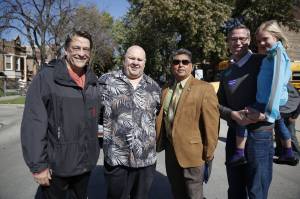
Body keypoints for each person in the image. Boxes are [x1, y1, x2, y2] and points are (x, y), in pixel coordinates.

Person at [21, 30, 100, 199]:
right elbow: (34, 123)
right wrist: (38, 166)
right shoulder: (47, 78)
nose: (81, 53)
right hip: (56, 168)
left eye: (86, 49)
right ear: (66, 50)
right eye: (76, 48)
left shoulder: (93, 81)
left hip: (84, 166)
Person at [218, 24, 274, 199]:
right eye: (234, 39)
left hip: (260, 136)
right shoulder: (227, 71)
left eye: (242, 38)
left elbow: (287, 96)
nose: (238, 42)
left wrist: (264, 115)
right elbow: (218, 105)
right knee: (235, 191)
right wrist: (231, 114)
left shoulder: (263, 61)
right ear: (228, 42)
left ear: (249, 40)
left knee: (257, 191)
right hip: (235, 135)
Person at [229, 20, 296, 166]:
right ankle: (288, 152)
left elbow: (277, 84)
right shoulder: (270, 55)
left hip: (266, 102)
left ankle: (239, 153)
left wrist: (268, 114)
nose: (262, 44)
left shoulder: (278, 55)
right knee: (281, 125)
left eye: (265, 39)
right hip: (266, 101)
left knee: (242, 116)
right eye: (259, 41)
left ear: (276, 36)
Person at [156, 48, 219, 199]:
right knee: (177, 193)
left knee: (194, 195)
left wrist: (208, 155)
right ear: (172, 65)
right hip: (171, 153)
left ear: (191, 66)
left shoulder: (204, 89)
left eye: (185, 62)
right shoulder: (165, 89)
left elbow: (211, 127)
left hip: (194, 155)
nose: (180, 65)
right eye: (176, 62)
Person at [99, 45, 161, 199]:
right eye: (132, 58)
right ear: (124, 60)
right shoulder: (106, 82)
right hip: (117, 159)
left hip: (145, 160)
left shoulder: (154, 87)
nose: (135, 62)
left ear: (144, 63)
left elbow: (157, 116)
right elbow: (96, 114)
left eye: (139, 59)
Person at [274, 83, 300, 164]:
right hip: (283, 111)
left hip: (290, 114)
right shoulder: (282, 85)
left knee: (291, 134)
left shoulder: (291, 88)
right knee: (279, 132)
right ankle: (280, 151)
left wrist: (295, 115)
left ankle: (295, 153)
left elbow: (298, 101)